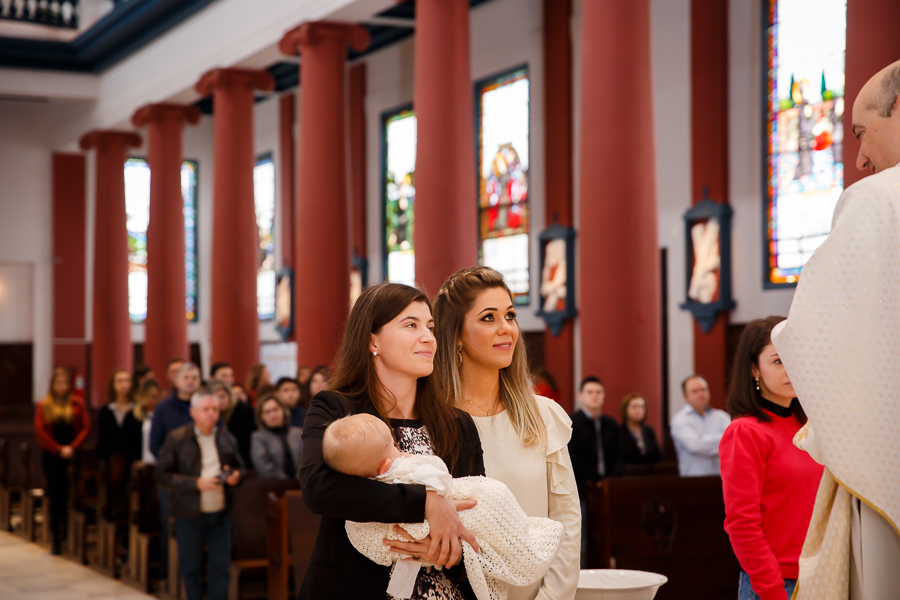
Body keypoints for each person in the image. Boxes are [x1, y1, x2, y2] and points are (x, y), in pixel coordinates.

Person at [770, 61, 900, 600]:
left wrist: (779, 345)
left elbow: (813, 335)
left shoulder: (880, 200)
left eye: (862, 132)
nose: (860, 157)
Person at [298, 282, 485, 600]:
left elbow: (477, 517)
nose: (428, 337)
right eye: (410, 325)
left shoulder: (457, 424)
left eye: (429, 327)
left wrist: (445, 552)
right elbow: (320, 488)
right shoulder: (337, 408)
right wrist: (425, 504)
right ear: (373, 340)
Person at [432, 266, 581, 600]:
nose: (506, 329)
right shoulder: (434, 421)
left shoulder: (542, 415)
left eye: (510, 316)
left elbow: (567, 520)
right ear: (455, 334)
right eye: (488, 318)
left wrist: (551, 596)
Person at [327, 413, 564, 600]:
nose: (400, 450)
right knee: (492, 497)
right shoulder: (400, 469)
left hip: (441, 564)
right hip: (458, 516)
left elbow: (370, 542)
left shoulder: (360, 511)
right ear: (384, 466)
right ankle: (529, 546)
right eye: (393, 446)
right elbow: (439, 474)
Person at [719, 316, 822, 600]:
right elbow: (742, 524)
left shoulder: (810, 426)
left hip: (820, 574)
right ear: (754, 369)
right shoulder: (746, 432)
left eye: (794, 357)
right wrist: (773, 591)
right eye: (778, 361)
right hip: (775, 584)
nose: (790, 369)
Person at [156, 388, 244, 600]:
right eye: (206, 409)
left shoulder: (225, 436)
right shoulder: (177, 438)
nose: (212, 413)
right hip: (189, 514)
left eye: (215, 409)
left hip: (220, 513)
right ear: (193, 412)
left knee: (220, 570)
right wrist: (195, 483)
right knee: (191, 568)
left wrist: (235, 476)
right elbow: (162, 475)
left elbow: (238, 466)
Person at [148, 361, 202, 579]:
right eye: (186, 377)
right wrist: (174, 469)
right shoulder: (163, 408)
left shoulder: (204, 406)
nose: (190, 381)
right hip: (172, 481)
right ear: (177, 380)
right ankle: (168, 576)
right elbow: (155, 444)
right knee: (170, 528)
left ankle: (194, 578)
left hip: (201, 478)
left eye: (194, 377)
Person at [34, 368, 91, 554]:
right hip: (52, 455)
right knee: (55, 495)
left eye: (65, 383)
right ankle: (55, 537)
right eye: (58, 383)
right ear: (53, 385)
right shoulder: (44, 405)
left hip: (73, 454)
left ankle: (68, 533)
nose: (62, 387)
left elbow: (86, 427)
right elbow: (40, 431)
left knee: (71, 494)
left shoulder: (77, 403)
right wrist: (58, 449)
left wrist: (73, 447)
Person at [97, 368, 139, 520]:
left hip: (134, 460)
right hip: (113, 462)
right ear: (113, 385)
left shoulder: (137, 409)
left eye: (127, 380)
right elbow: (103, 442)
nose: (124, 385)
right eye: (119, 381)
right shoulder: (106, 411)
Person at [670, 375, 731, 476]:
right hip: (694, 481)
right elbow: (695, 446)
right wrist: (722, 441)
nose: (701, 394)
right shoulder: (680, 420)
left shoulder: (722, 416)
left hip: (722, 479)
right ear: (685, 396)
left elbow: (733, 442)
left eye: (703, 389)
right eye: (694, 391)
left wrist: (704, 440)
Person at [250, 393, 303, 479]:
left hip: (301, 483)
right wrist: (286, 481)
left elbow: (306, 459)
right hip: (272, 485)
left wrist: (299, 479)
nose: (273, 414)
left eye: (276, 409)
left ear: (283, 410)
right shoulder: (258, 437)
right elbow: (263, 465)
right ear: (261, 417)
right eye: (267, 412)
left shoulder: (298, 433)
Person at [210, 378, 255, 467]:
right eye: (216, 397)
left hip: (244, 461)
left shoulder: (245, 412)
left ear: (229, 396)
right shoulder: (210, 414)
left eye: (223, 396)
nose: (220, 401)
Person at [619, 393, 661, 465]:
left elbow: (658, 456)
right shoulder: (619, 431)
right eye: (634, 407)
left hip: (649, 473)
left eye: (642, 407)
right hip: (628, 473)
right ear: (625, 410)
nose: (639, 409)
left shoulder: (648, 431)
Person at [131, 378, 163, 467]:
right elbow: (128, 442)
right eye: (150, 397)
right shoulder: (132, 416)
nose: (153, 401)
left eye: (156, 397)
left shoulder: (163, 415)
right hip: (140, 464)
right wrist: (135, 460)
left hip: (160, 464)